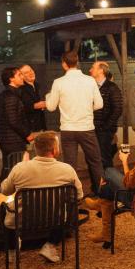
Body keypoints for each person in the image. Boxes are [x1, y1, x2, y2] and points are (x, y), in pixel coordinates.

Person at [1, 131, 85, 263]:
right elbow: (79, 195)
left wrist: (21, 166)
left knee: (5, 209)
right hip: (54, 219)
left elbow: (5, 190)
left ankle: (12, 251)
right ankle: (50, 245)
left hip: (23, 219)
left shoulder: (20, 168)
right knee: (66, 210)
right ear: (54, 149)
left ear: (36, 148)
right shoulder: (67, 169)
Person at [45, 50, 104, 196]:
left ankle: (72, 198)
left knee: (70, 166)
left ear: (64, 64)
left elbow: (51, 107)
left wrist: (48, 96)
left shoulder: (58, 82)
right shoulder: (90, 80)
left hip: (68, 129)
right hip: (87, 128)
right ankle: (102, 195)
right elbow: (99, 104)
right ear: (77, 62)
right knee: (95, 162)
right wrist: (86, 109)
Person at [0, 66, 35, 185]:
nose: (22, 77)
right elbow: (13, 120)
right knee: (11, 171)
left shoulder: (11, 94)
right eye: (19, 75)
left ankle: (6, 197)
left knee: (10, 169)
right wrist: (27, 134)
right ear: (11, 79)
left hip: (10, 139)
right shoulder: (10, 96)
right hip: (12, 140)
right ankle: (5, 198)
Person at [90, 62, 123, 168]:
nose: (90, 70)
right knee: (93, 159)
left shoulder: (112, 87)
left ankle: (108, 183)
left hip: (104, 131)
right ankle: (97, 184)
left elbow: (118, 109)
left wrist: (105, 127)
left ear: (101, 70)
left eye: (93, 67)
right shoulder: (91, 87)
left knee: (105, 159)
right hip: (91, 129)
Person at [17, 64, 47, 132]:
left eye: (31, 70)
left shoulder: (37, 85)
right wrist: (49, 103)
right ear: (22, 76)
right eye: (26, 72)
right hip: (30, 128)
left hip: (41, 124)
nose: (30, 73)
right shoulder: (21, 89)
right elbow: (27, 106)